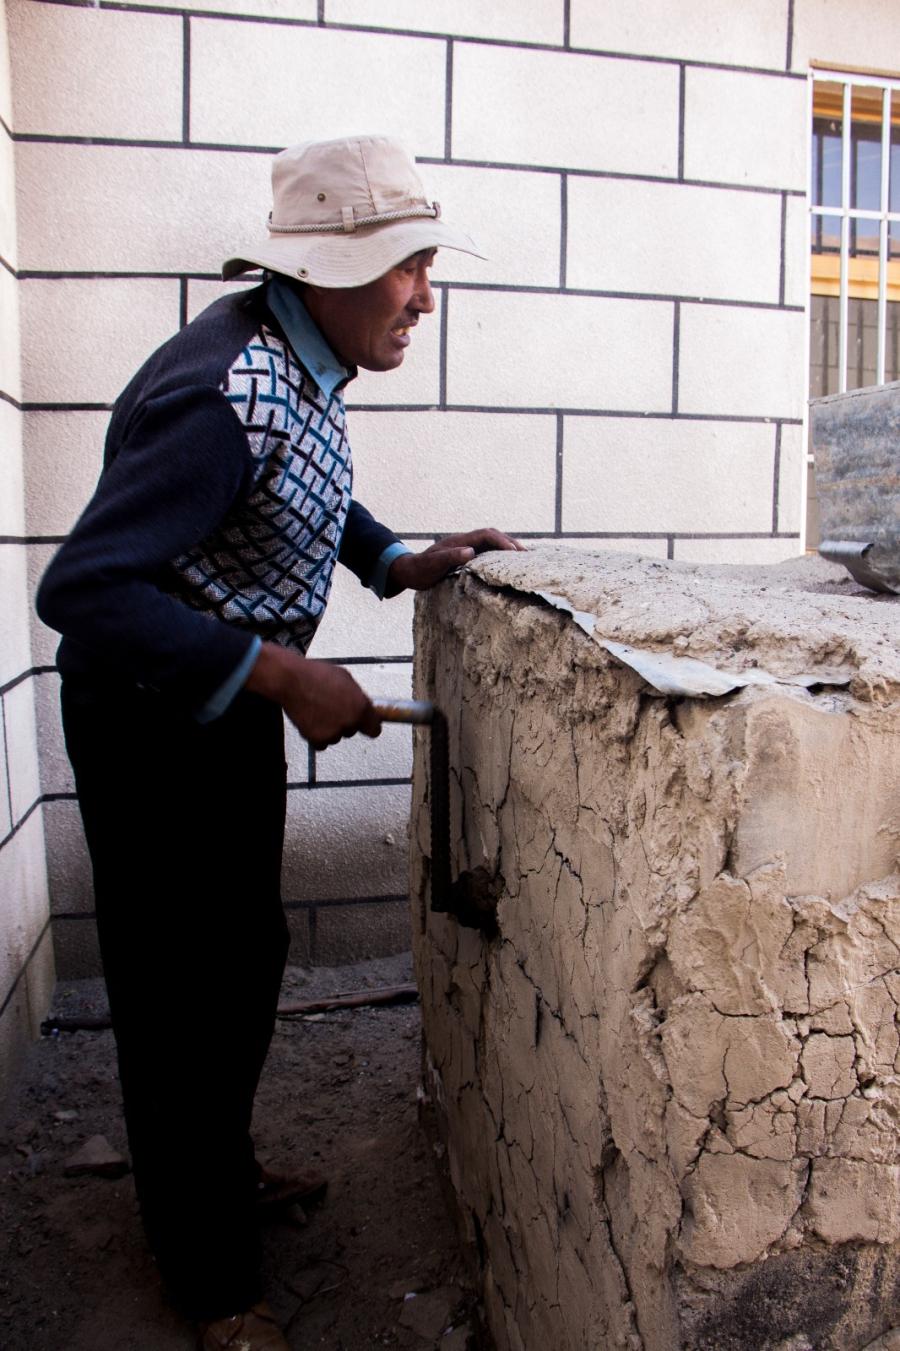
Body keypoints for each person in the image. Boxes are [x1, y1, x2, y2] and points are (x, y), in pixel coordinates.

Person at [37, 134, 522, 1351]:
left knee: (242, 957)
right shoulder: (219, 390)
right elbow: (84, 590)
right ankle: (209, 1282)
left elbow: (299, 490)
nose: (425, 293)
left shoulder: (300, 363)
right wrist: (282, 671)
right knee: (179, 996)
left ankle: (213, 1174)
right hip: (153, 722)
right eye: (406, 264)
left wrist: (399, 557)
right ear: (329, 269)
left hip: (221, 704)